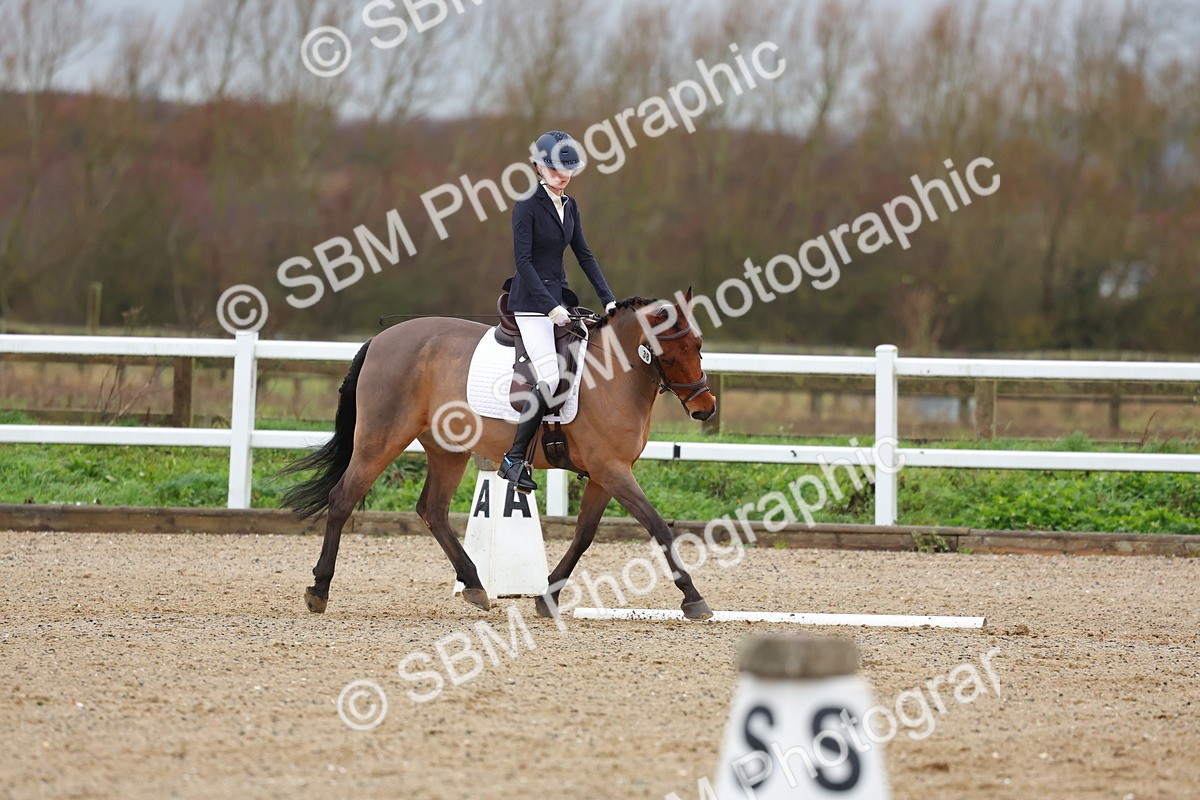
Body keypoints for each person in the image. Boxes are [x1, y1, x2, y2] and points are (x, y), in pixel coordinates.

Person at [499, 130, 618, 493]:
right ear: (537, 166)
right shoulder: (527, 205)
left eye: (566, 169)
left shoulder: (571, 205)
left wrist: (609, 299)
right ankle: (514, 459)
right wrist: (549, 307)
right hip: (532, 305)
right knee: (550, 379)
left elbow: (584, 254)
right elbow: (523, 262)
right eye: (552, 169)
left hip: (560, 299)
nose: (560, 176)